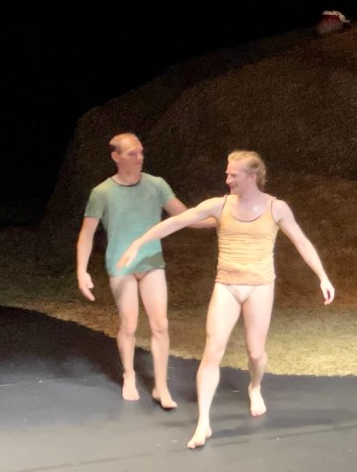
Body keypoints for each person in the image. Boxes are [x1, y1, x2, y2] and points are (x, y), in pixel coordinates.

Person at [117, 150, 335, 449]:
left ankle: (255, 386)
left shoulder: (276, 208)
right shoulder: (219, 205)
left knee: (255, 352)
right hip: (227, 286)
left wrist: (322, 276)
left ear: (251, 176)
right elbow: (176, 222)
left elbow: (301, 241)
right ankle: (203, 423)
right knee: (212, 352)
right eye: (227, 173)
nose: (227, 179)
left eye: (233, 174)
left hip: (260, 287)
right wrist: (139, 243)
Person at [76, 133, 213, 408]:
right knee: (129, 324)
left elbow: (184, 216)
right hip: (121, 265)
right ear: (116, 157)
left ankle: (161, 386)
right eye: (132, 153)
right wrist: (82, 271)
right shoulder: (102, 192)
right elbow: (87, 234)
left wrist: (222, 219)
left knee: (160, 325)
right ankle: (129, 374)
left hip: (151, 262)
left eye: (140, 152)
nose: (139, 157)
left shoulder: (156, 185)